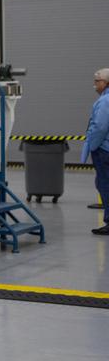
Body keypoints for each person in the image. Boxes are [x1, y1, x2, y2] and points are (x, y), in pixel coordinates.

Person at [84, 68, 109, 236]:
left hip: (104, 151)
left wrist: (92, 145)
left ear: (106, 83)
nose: (95, 84)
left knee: (105, 185)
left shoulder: (105, 101)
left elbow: (100, 127)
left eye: (97, 81)